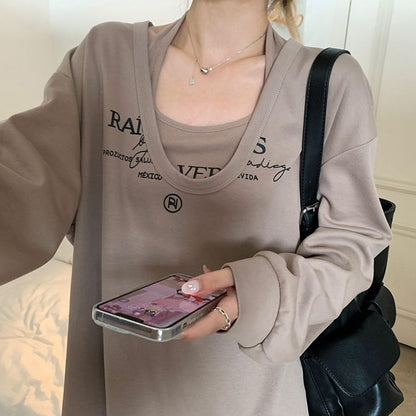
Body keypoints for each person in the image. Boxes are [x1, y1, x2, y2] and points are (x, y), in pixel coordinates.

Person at [0, 0, 392, 415]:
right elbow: (22, 185)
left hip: (254, 393)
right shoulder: (103, 58)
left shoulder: (330, 83)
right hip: (114, 391)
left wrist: (259, 294)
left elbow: (350, 247)